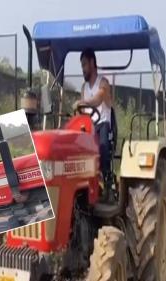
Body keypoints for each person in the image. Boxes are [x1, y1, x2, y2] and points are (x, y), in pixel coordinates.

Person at [73, 48, 114, 202]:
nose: (83, 69)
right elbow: (82, 111)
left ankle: (106, 182)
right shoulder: (84, 88)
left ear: (92, 63)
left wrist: (83, 102)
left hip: (103, 125)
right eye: (81, 65)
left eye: (84, 65)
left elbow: (97, 100)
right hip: (89, 126)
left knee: (101, 145)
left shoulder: (103, 83)